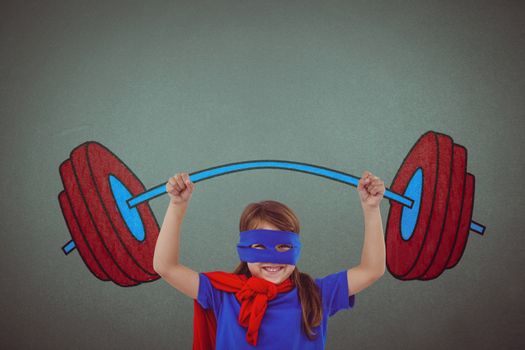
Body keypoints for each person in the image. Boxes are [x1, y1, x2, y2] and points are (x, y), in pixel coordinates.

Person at [153, 171, 386, 349]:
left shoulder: (317, 293)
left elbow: (371, 270)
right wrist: (177, 205)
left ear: (296, 248)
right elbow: (166, 267)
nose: (273, 257)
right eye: (259, 246)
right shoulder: (222, 293)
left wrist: (371, 208)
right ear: (243, 249)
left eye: (284, 246)